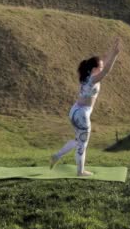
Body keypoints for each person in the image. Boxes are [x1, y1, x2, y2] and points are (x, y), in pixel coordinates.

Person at [50, 38, 122, 176]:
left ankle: (57, 156)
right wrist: (116, 55)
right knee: (82, 145)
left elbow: (104, 62)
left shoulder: (86, 76)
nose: (101, 68)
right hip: (82, 114)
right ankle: (80, 172)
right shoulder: (93, 79)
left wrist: (113, 51)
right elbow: (106, 70)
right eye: (99, 67)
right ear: (94, 69)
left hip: (74, 111)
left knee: (78, 141)